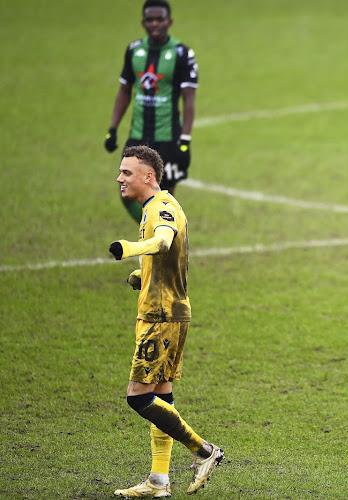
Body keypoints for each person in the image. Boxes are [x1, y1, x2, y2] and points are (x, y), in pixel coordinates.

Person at [109, 145, 223, 497]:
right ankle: (159, 481)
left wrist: (129, 248)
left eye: (127, 173)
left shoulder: (161, 208)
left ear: (148, 176)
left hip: (162, 317)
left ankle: (204, 451)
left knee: (138, 397)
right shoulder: (154, 207)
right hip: (163, 311)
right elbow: (165, 259)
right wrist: (140, 274)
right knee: (162, 396)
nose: (119, 178)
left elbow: (162, 242)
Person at [104, 0, 198, 223]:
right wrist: (113, 129)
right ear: (143, 22)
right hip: (138, 136)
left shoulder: (182, 53)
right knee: (126, 191)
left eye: (160, 19)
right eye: (150, 19)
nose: (155, 24)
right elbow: (124, 91)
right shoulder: (134, 50)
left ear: (169, 22)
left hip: (168, 137)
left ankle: (164, 239)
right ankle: (157, 229)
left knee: (165, 195)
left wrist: (184, 139)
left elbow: (189, 98)